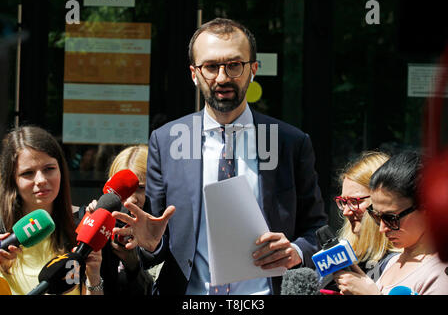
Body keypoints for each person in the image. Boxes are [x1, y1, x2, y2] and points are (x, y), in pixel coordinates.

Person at [113, 17, 328, 295]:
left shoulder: (290, 143)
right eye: (211, 67)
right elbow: (156, 240)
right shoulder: (165, 142)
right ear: (194, 74)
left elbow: (317, 230)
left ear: (253, 69)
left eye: (234, 65)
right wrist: (150, 243)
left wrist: (296, 251)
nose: (223, 78)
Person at [0, 125, 102, 295]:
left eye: (49, 169)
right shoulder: (3, 234)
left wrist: (94, 276)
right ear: (13, 180)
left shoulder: (83, 224)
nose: (40, 180)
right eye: (28, 173)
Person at [333, 150, 448, 295]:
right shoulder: (392, 263)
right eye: (376, 216)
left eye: (391, 218)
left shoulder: (439, 273)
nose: (382, 228)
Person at [77, 144, 154, 294]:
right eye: (124, 190)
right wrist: (91, 226)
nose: (131, 199)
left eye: (141, 188)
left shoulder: (162, 225)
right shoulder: (101, 218)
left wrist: (133, 265)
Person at [334, 151, 399, 281]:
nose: (346, 212)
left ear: (383, 201)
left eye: (354, 202)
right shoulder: (342, 258)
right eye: (344, 202)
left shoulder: (403, 265)